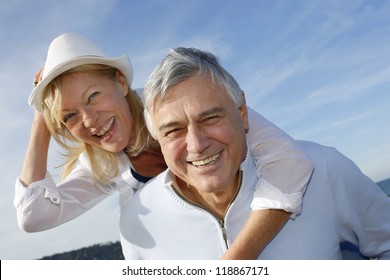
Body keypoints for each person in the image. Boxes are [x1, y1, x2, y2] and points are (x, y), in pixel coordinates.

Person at [14, 33, 313, 259]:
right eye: (69, 116)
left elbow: (289, 162)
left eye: (93, 96)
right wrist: (42, 117)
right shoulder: (101, 166)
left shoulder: (176, 102)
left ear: (120, 82)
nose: (90, 121)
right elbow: (33, 215)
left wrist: (233, 264)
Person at [119, 47, 390, 260]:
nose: (196, 144)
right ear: (158, 140)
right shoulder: (136, 223)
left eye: (211, 118)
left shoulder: (324, 169)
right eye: (173, 130)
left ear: (242, 113)